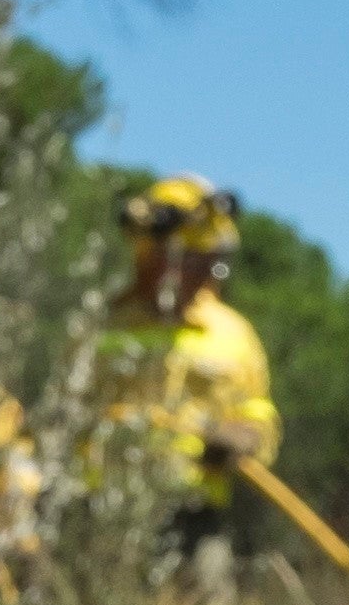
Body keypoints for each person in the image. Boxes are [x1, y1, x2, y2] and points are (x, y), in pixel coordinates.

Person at [94, 175, 280, 577]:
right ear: (145, 252)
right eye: (180, 259)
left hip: (195, 517)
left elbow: (258, 409)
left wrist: (246, 435)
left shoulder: (234, 334)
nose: (191, 273)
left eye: (205, 260)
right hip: (101, 513)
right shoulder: (101, 326)